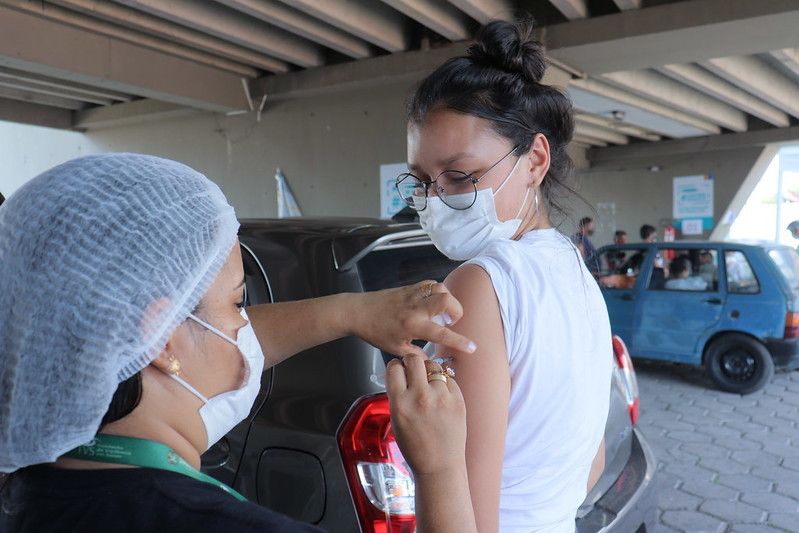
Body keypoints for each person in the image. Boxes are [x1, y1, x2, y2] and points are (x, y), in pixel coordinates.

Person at [0, 154, 477, 533]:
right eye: (237, 303)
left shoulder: (32, 491)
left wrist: (350, 312)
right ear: (161, 340)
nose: (246, 330)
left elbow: (204, 338)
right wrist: (439, 472)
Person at [398, 20, 612, 532]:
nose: (436, 199)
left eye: (460, 176)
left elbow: (466, 521)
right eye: (423, 180)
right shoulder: (573, 270)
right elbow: (593, 464)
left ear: (535, 159)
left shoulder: (481, 283)